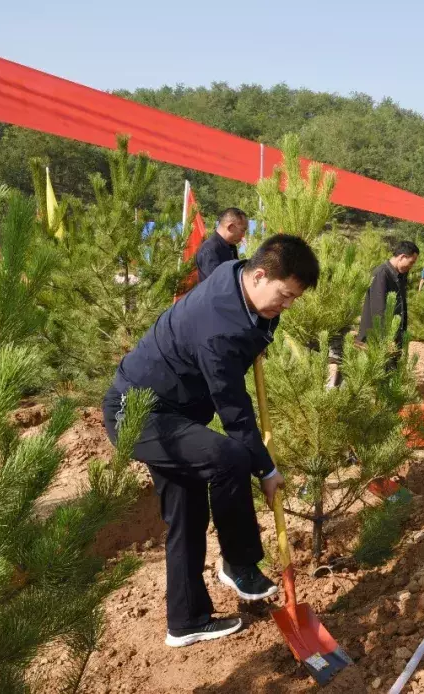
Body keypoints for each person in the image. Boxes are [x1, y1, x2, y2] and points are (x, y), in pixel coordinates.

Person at [102, 235, 319, 647]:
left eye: (294, 298)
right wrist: (267, 469)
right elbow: (234, 410)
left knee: (186, 515)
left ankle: (185, 621)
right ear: (259, 275)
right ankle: (238, 563)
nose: (287, 306)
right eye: (285, 296)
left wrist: (261, 331)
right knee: (230, 457)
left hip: (175, 411)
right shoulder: (218, 329)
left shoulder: (236, 277)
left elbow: (254, 319)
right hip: (139, 412)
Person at [357, 240, 419, 348]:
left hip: (394, 337)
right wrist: (386, 338)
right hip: (377, 339)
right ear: (402, 257)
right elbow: (378, 310)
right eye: (411, 262)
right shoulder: (381, 274)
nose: (411, 266)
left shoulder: (401, 274)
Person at [195, 208, 248, 283]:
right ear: (231, 227)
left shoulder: (230, 246)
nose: (243, 235)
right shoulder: (209, 249)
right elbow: (217, 283)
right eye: (242, 230)